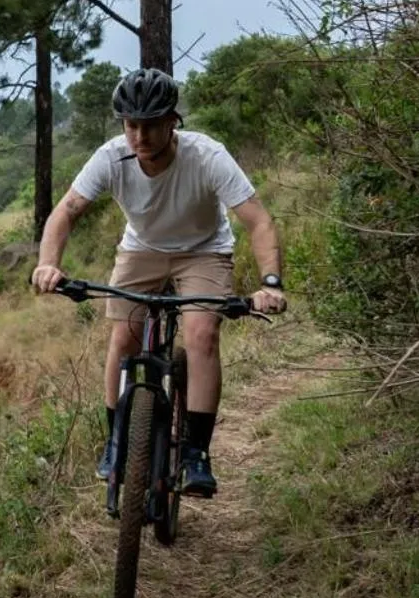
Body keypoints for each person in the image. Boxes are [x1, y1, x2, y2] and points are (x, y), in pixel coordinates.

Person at [30, 66, 286, 497]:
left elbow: (258, 220)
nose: (140, 136)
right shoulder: (111, 157)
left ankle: (195, 454)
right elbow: (67, 211)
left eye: (151, 125)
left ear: (173, 121)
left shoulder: (207, 156)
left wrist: (271, 283)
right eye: (132, 125)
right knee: (124, 337)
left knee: (201, 334)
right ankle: (115, 443)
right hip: (142, 249)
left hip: (203, 250)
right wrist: (47, 264)